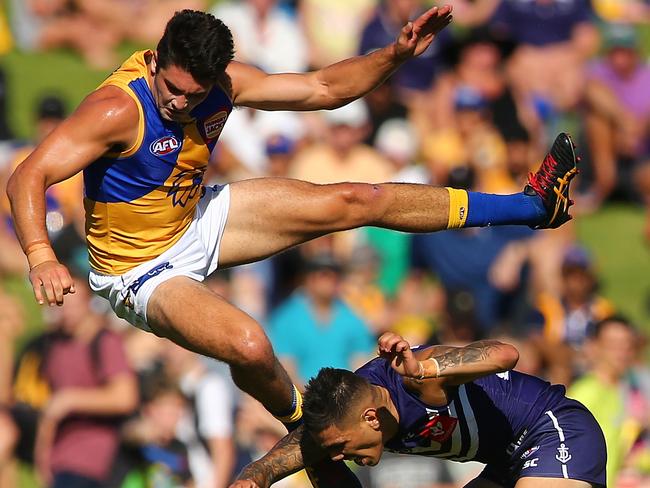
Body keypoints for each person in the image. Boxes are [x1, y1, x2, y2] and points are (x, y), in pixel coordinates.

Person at [7, 6, 578, 484]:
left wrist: (395, 56)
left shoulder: (224, 84)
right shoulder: (115, 109)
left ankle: (531, 205)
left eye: (193, 94)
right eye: (172, 89)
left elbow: (324, 88)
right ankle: (304, 428)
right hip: (137, 269)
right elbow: (27, 176)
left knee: (355, 199)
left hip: (195, 218)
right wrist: (41, 256)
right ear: (155, 58)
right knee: (251, 345)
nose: (179, 104)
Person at [231, 331, 607, 488]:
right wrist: (255, 476)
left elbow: (506, 354)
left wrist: (427, 368)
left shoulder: (413, 379)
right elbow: (283, 458)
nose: (337, 456)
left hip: (551, 429)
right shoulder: (340, 425)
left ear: (371, 417)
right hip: (505, 462)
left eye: (341, 446)